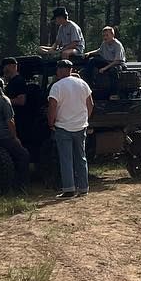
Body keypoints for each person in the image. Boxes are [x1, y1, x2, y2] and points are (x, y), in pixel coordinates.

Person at [46, 58, 94, 198]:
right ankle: (84, 187)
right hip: (80, 126)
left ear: (60, 70)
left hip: (63, 126)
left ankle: (69, 189)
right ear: (71, 70)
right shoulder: (82, 83)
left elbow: (52, 107)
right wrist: (85, 118)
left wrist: (51, 123)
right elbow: (90, 104)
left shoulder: (57, 86)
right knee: (81, 157)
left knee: (66, 159)